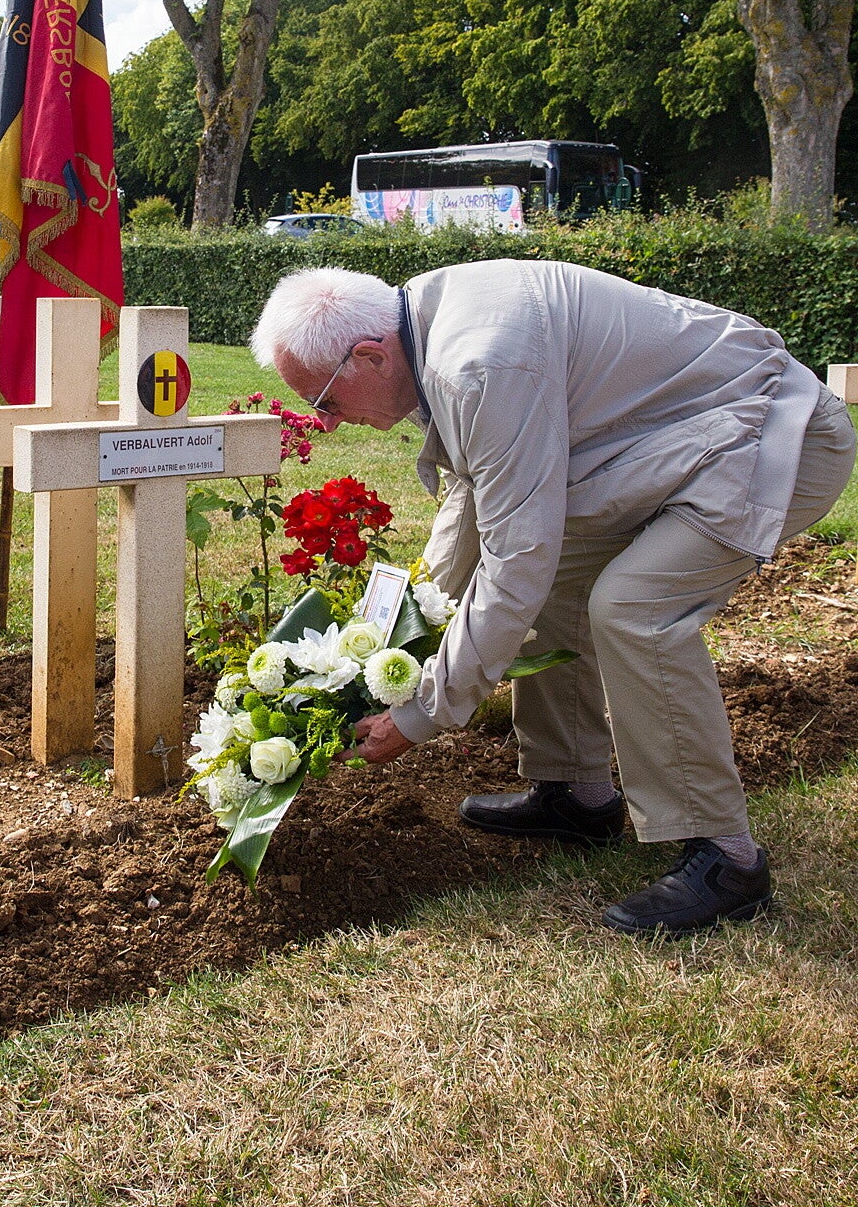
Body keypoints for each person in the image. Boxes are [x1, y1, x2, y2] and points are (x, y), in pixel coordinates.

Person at [251, 260, 856, 936]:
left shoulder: (479, 364)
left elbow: (516, 559)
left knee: (633, 607)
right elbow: (475, 502)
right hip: (679, 442)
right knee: (561, 577)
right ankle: (577, 794)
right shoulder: (418, 326)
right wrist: (393, 637)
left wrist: (422, 714)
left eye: (325, 401)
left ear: (369, 356)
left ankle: (728, 860)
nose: (327, 424)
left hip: (773, 436)